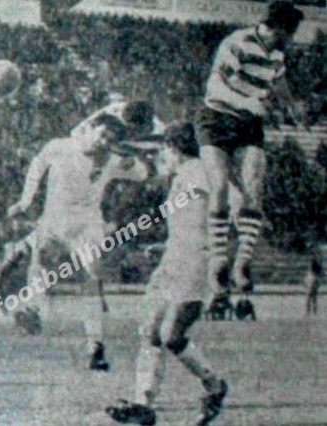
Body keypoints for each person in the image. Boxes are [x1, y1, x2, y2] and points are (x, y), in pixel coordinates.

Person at [7, 106, 153, 371]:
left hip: (87, 225)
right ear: (90, 128)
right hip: (54, 219)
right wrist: (25, 201)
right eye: (102, 134)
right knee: (41, 258)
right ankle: (33, 310)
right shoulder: (60, 146)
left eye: (110, 140)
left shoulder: (111, 161)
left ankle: (95, 345)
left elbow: (143, 174)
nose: (103, 142)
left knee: (91, 277)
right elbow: (37, 166)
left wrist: (133, 163)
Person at [106, 122, 228, 426]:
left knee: (171, 335)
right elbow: (190, 221)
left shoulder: (200, 172)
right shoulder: (185, 176)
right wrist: (167, 246)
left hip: (195, 262)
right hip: (174, 260)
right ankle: (143, 404)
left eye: (165, 150)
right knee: (149, 329)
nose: (163, 156)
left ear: (174, 148)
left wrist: (219, 258)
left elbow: (221, 209)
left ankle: (215, 386)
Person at [195, 1, 304, 298]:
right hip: (216, 119)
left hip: (248, 125)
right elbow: (215, 86)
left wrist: (292, 106)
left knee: (254, 190)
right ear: (279, 29)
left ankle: (242, 263)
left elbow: (279, 80)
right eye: (290, 33)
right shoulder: (238, 42)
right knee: (219, 186)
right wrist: (247, 102)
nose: (292, 40)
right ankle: (217, 260)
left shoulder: (276, 54)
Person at [304, 244, 324, 316]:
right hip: (313, 276)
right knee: (312, 295)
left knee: (311, 295)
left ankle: (310, 311)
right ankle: (311, 311)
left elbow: (316, 268)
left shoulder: (315, 258)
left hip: (313, 276)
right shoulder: (314, 258)